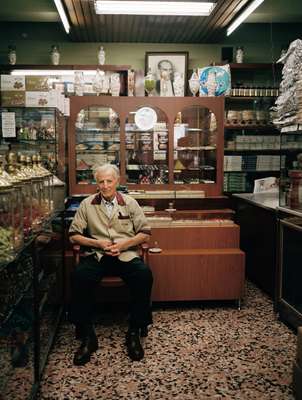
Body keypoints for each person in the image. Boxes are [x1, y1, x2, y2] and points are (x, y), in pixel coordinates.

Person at [68, 164, 153, 366]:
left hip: (125, 255)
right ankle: (88, 335)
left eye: (109, 181)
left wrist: (124, 244)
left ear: (117, 181)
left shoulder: (130, 203)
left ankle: (134, 331)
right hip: (98, 256)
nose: (105, 186)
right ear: (96, 183)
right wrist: (96, 243)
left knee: (143, 275)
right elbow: (73, 236)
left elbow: (145, 232)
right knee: (79, 277)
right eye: (101, 182)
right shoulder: (87, 204)